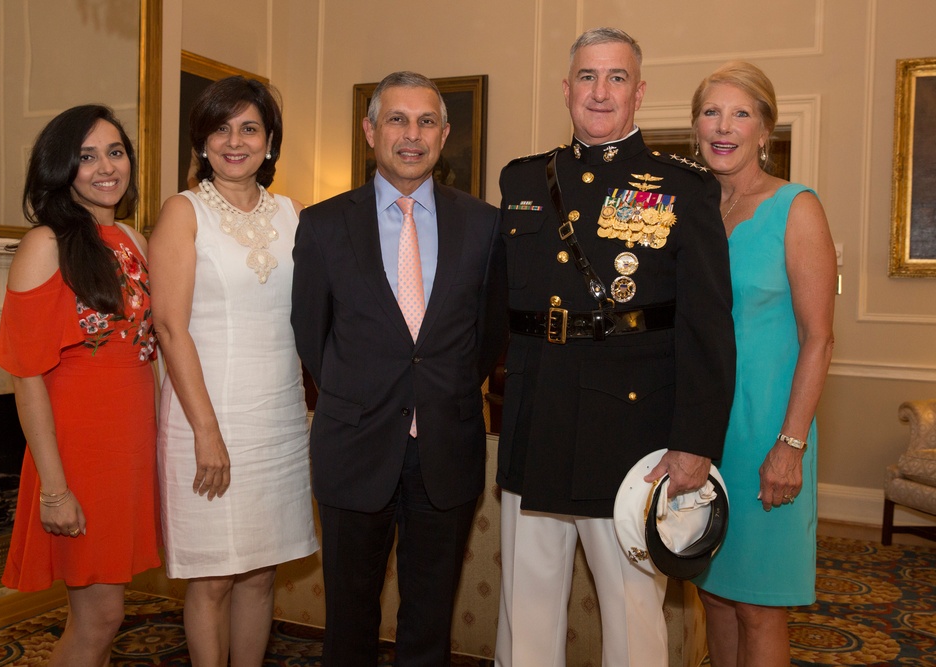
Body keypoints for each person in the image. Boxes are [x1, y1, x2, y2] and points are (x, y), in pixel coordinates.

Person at [494, 27, 736, 667]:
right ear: (566, 89)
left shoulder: (683, 186)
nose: (600, 92)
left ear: (640, 93)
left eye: (617, 77)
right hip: (535, 416)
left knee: (633, 615)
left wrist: (695, 444)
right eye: (587, 77)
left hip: (631, 432)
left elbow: (708, 327)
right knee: (527, 608)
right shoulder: (521, 178)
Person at [291, 70, 507, 666]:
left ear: (443, 135)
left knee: (429, 623)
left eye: (426, 121)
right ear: (370, 131)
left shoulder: (485, 226)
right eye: (397, 119)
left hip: (446, 446)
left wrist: (440, 388)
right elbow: (312, 336)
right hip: (354, 444)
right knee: (349, 622)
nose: (412, 135)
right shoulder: (324, 224)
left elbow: (487, 336)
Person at [150, 76, 318, 667]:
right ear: (201, 141)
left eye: (249, 128)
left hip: (276, 418)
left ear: (270, 142)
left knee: (260, 573)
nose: (234, 141)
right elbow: (170, 328)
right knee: (213, 577)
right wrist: (206, 432)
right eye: (220, 128)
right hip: (207, 416)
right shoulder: (183, 212)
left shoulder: (294, 214)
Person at [0, 104, 160, 666]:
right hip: (80, 454)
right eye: (86, 157)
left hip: (129, 448)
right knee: (100, 619)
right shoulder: (46, 243)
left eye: (115, 152)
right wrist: (55, 489)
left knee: (106, 617)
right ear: (61, 169)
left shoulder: (131, 238)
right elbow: (26, 373)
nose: (106, 167)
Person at [689, 61, 835, 667]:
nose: (723, 126)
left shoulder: (796, 207)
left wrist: (790, 444)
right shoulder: (694, 212)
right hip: (704, 434)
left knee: (758, 606)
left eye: (740, 113)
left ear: (765, 130)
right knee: (714, 598)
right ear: (695, 126)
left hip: (769, 433)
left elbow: (819, 338)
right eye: (710, 112)